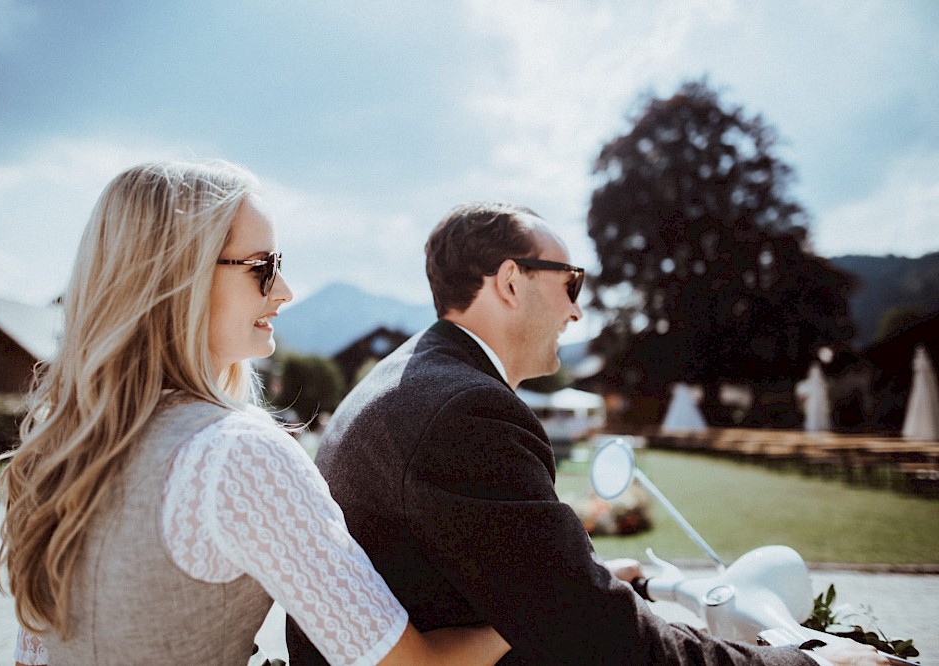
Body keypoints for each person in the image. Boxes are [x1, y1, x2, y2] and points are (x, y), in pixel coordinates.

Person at [286, 202, 886, 665]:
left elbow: (495, 564)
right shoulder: (466, 409)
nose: (577, 311)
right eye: (571, 282)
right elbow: (602, 643)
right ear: (511, 282)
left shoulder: (413, 377)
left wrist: (581, 577)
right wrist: (799, 659)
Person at [0, 161, 510, 666]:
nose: (284, 290)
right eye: (262, 267)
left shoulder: (58, 448)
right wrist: (547, 614)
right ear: (178, 279)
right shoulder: (234, 453)